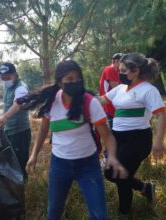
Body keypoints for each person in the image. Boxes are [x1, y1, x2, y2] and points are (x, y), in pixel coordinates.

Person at [22, 60, 127, 220]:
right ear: (60, 82)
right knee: (54, 212)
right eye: (69, 79)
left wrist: (112, 156)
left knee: (99, 214)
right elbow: (43, 130)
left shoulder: (89, 102)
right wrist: (34, 154)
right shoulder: (52, 102)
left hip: (88, 166)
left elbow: (107, 135)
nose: (74, 82)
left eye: (77, 78)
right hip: (60, 165)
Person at [99, 53, 166, 215]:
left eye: (123, 71)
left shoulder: (148, 90)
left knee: (121, 176)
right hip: (117, 138)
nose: (119, 73)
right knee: (110, 173)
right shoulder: (120, 89)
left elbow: (162, 115)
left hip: (137, 139)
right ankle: (145, 188)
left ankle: (124, 213)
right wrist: (81, 97)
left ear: (135, 70)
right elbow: (101, 100)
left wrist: (159, 141)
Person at [0, 62, 31, 180]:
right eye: (3, 78)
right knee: (10, 161)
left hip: (20, 132)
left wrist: (5, 118)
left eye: (8, 77)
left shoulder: (21, 88)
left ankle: (22, 188)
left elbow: (18, 104)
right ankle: (13, 188)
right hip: (9, 130)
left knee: (19, 163)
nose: (5, 80)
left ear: (15, 75)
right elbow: (7, 105)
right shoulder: (7, 87)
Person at [99, 53, 123, 127]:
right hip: (109, 105)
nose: (124, 64)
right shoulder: (110, 69)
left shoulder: (117, 71)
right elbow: (116, 88)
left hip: (111, 104)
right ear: (116, 61)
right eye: (122, 62)